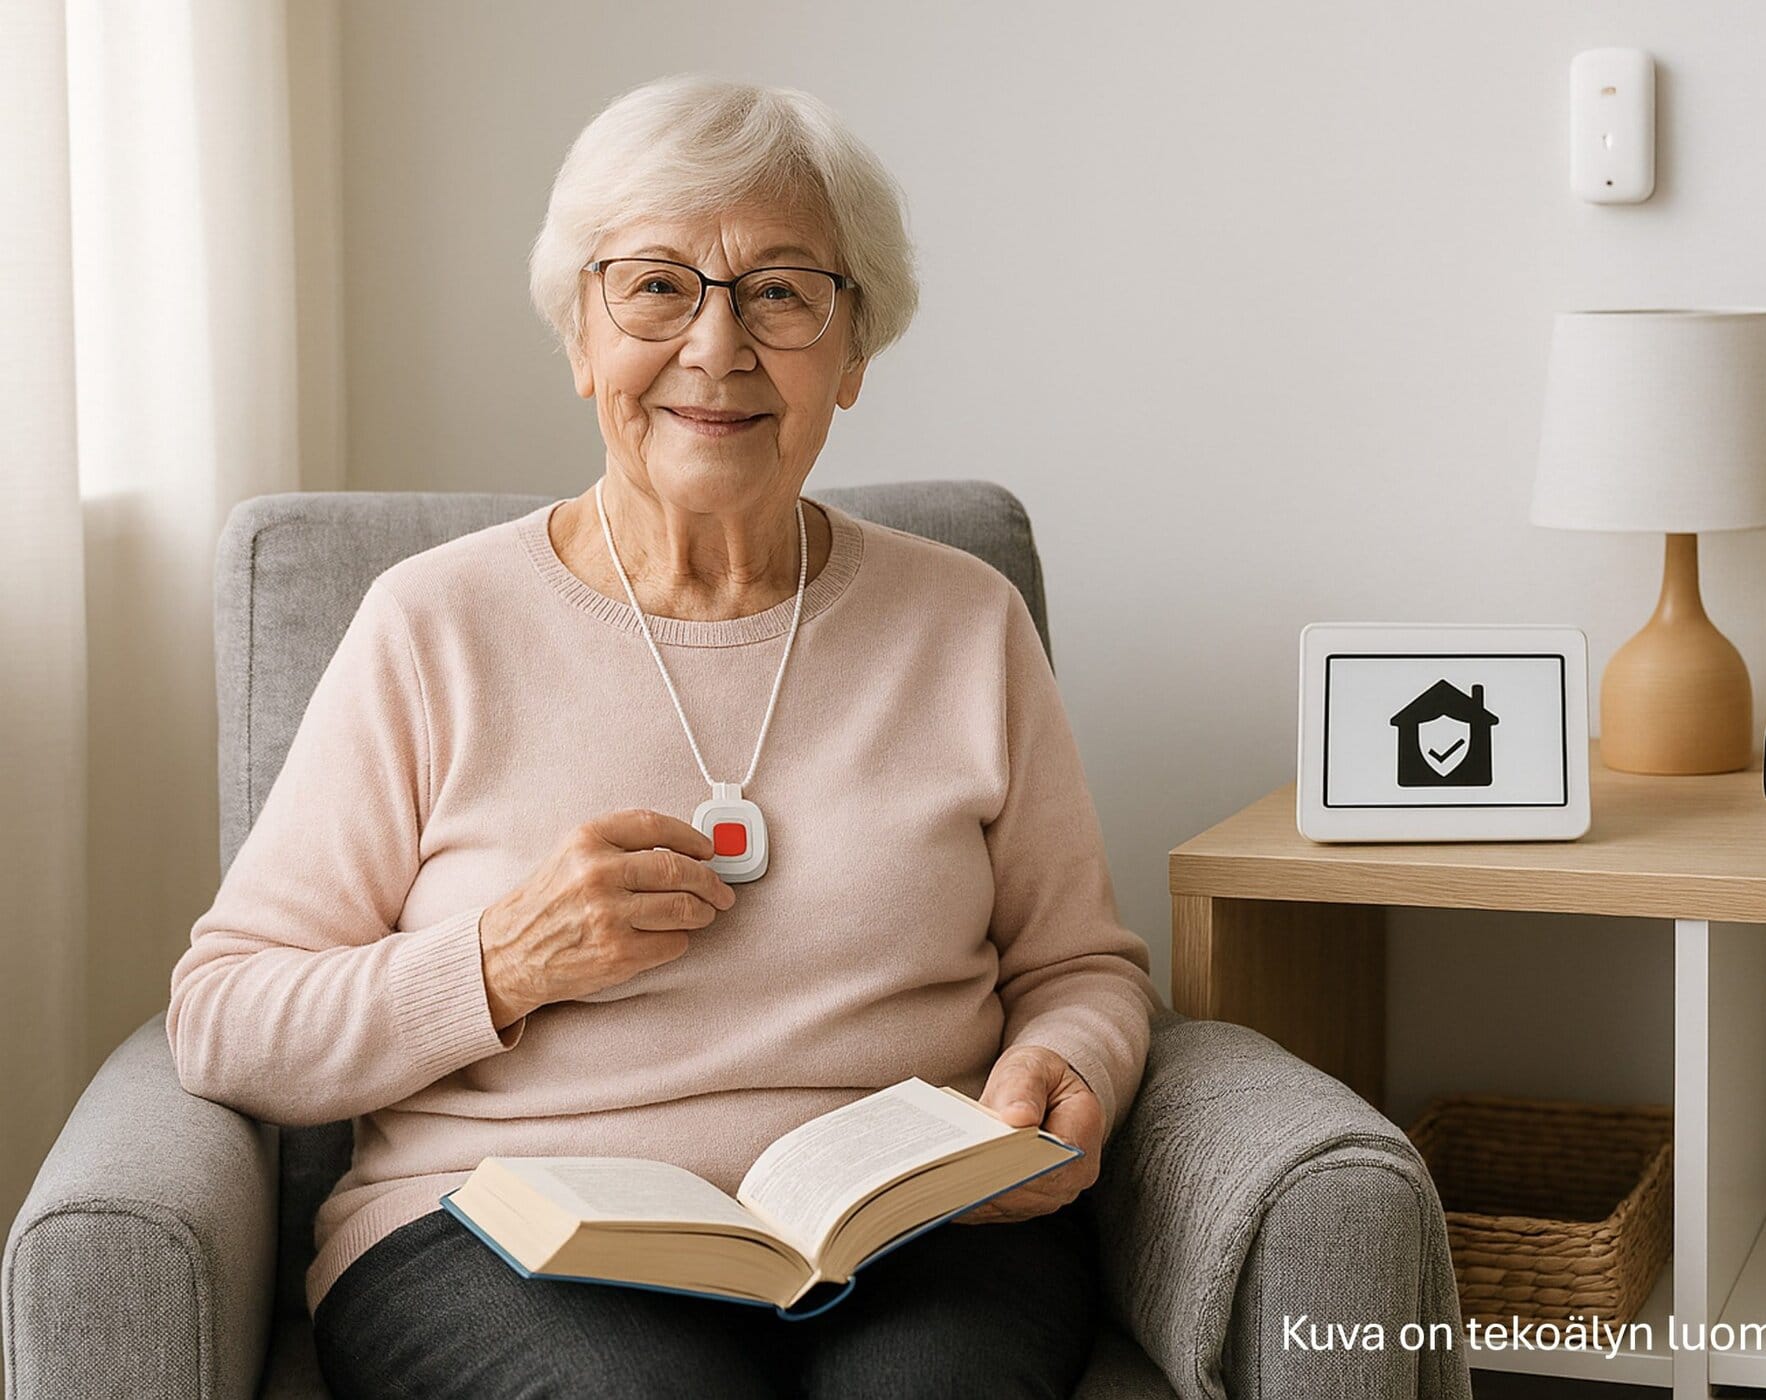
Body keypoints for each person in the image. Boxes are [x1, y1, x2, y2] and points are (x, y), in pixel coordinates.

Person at [165, 73, 1159, 1398]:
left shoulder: (964, 623)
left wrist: (1064, 1061)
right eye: (655, 287)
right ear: (580, 333)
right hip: (502, 1235)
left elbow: (1079, 964)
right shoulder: (433, 626)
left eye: (782, 292)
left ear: (855, 349)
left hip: (916, 1232)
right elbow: (225, 1021)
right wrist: (498, 965)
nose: (718, 346)